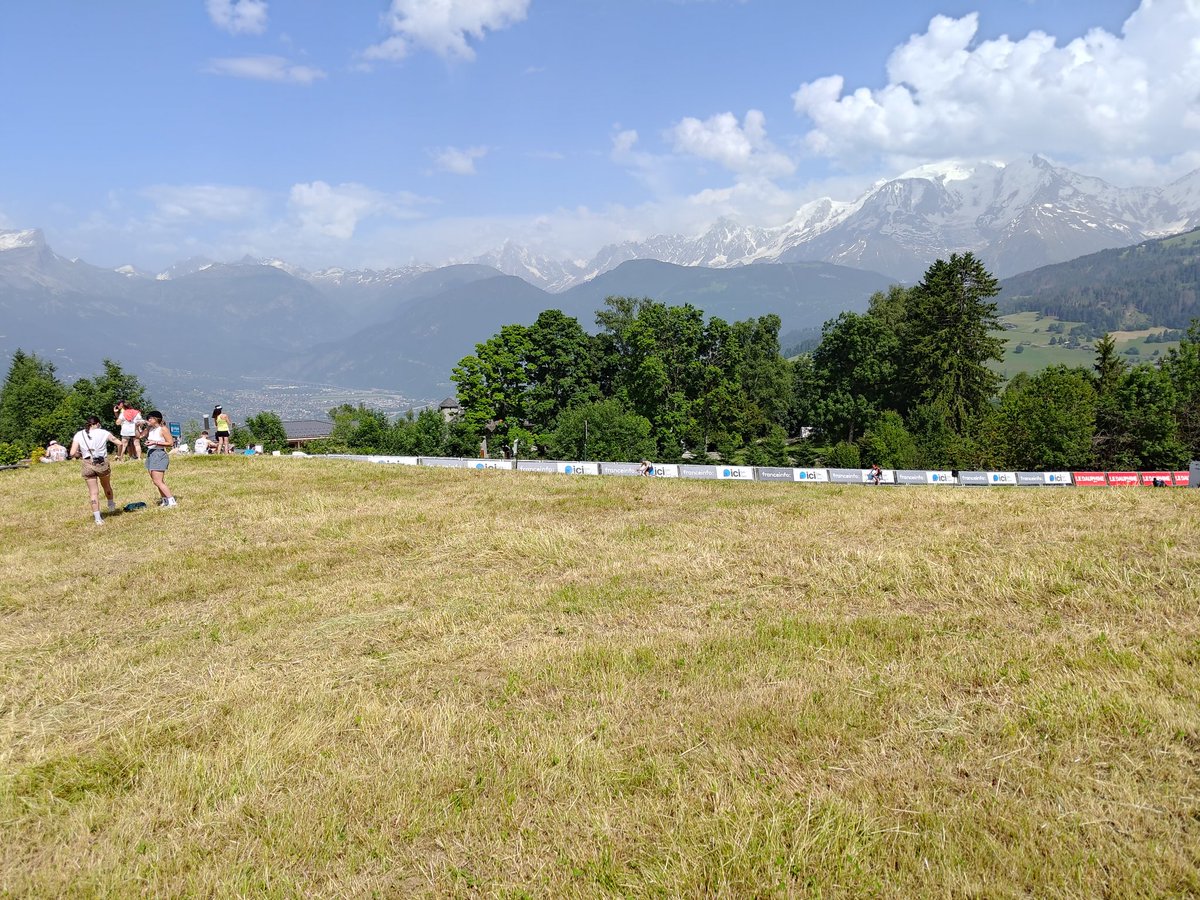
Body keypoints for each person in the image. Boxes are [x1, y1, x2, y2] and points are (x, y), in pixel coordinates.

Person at [69, 415, 119, 525]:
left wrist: (80, 454)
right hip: (101, 463)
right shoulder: (103, 432)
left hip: (87, 463)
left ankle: (97, 518)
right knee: (106, 485)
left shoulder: (79, 434)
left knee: (93, 493)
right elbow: (118, 443)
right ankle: (111, 505)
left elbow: (72, 453)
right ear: (97, 423)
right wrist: (118, 454)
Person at [137, 411, 177, 507]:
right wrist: (136, 426)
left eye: (150, 418)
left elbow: (170, 443)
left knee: (158, 481)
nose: (148, 420)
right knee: (156, 481)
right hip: (151, 454)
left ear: (156, 419)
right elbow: (139, 436)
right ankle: (165, 500)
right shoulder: (149, 429)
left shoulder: (163, 429)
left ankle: (172, 501)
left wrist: (155, 442)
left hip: (159, 454)